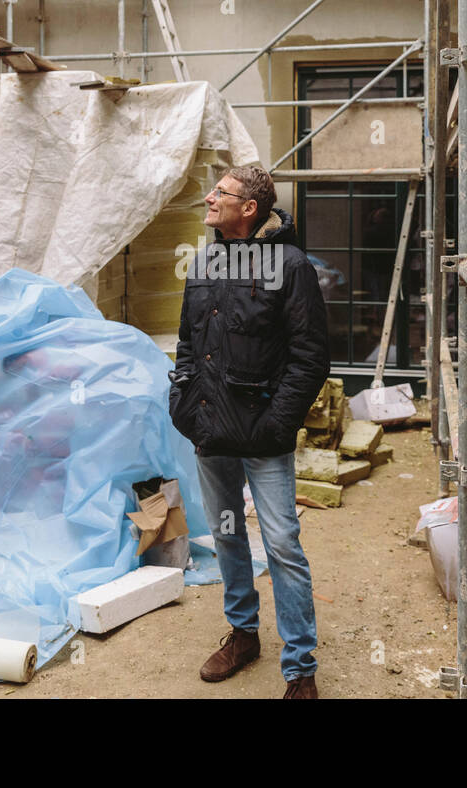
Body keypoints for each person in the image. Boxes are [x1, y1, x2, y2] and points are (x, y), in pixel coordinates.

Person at [168, 164, 330, 699]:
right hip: (210, 426)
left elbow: (310, 359)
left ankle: (300, 668)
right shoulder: (205, 261)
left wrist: (276, 424)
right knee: (227, 533)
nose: (209, 199)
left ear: (249, 209)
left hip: (263, 432)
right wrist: (184, 403)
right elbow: (189, 344)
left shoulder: (291, 265)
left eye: (221, 193)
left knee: (282, 542)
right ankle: (243, 635)